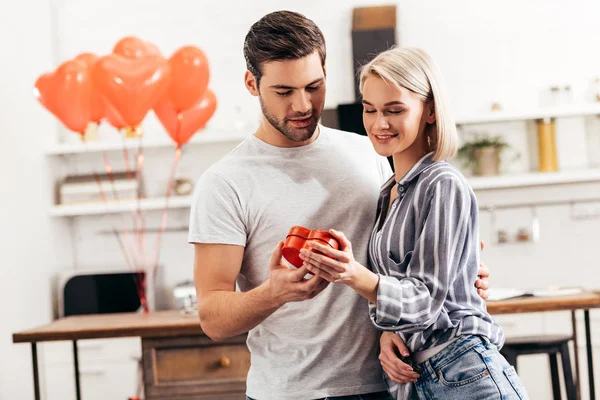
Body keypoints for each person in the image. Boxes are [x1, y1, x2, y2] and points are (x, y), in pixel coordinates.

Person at [189, 11, 490, 400]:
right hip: (290, 393)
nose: (302, 104)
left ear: (327, 71)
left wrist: (458, 271)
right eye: (284, 92)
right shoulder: (226, 182)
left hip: (387, 384)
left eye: (313, 86)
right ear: (252, 83)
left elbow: (405, 267)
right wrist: (275, 292)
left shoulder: (369, 152)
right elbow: (212, 316)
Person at [300, 47, 528, 399]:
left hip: (465, 371)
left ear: (431, 111)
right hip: (419, 379)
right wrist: (388, 334)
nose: (380, 123)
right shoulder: (389, 192)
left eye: (395, 110)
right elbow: (404, 293)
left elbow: (424, 300)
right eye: (370, 109)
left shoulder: (443, 184)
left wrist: (352, 273)